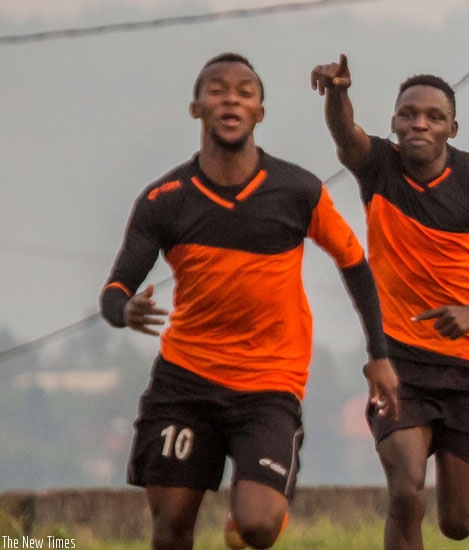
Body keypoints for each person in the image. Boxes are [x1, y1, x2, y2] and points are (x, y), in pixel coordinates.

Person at [99, 52, 398, 550]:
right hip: (186, 381)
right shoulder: (164, 199)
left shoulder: (298, 190)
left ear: (260, 111)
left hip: (270, 384)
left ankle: (244, 526)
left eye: (245, 91)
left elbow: (355, 265)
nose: (231, 98)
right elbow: (115, 289)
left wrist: (380, 357)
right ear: (196, 107)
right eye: (217, 89)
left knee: (258, 526)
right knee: (171, 525)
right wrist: (124, 310)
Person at [310, 54, 469, 549]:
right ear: (394, 123)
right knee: (405, 492)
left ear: (451, 127)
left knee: (458, 522)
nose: (419, 123)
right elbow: (345, 134)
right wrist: (336, 93)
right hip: (399, 364)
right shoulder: (378, 166)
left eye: (433, 117)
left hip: (468, 372)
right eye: (408, 114)